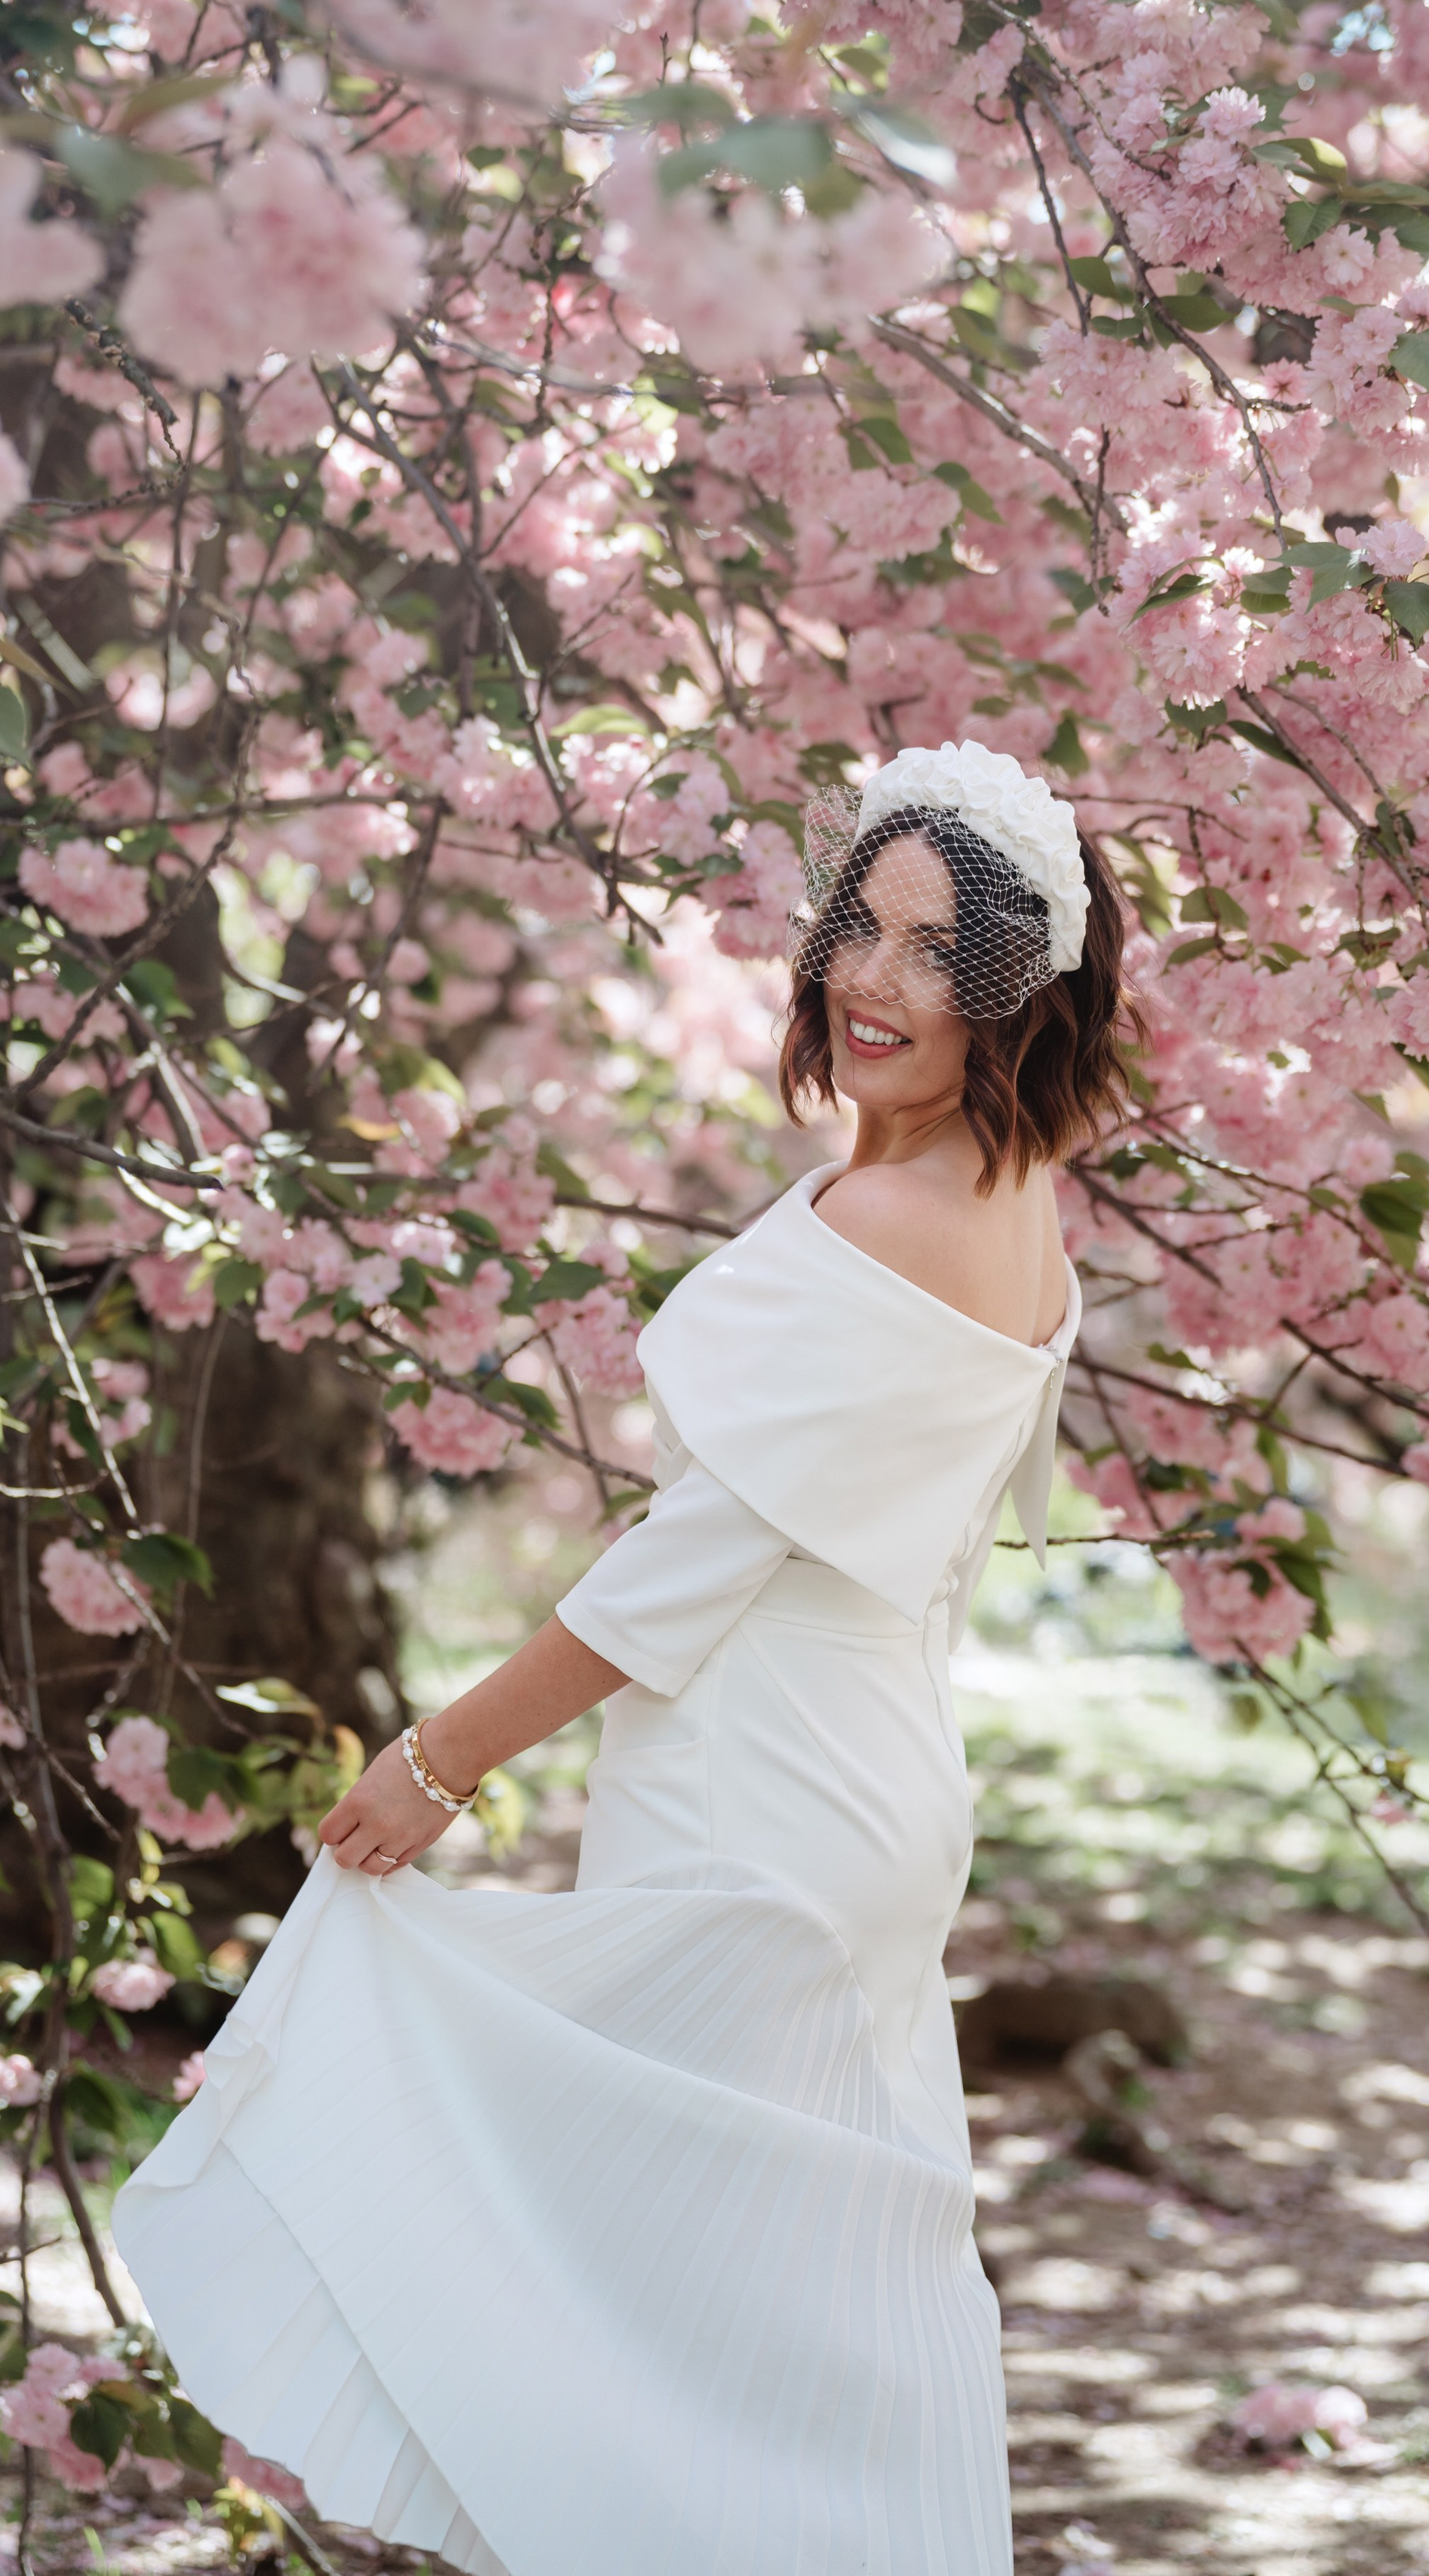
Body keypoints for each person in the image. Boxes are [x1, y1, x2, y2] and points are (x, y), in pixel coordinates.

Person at [113, 739, 1136, 2576]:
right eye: (861, 929)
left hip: (777, 1803)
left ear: (1018, 988)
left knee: (681, 2303)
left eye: (937, 951)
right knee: (776, 2311)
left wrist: (436, 1760)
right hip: (859, 1785)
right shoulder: (1007, 1195)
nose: (873, 982)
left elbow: (686, 1566)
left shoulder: (893, 1220)